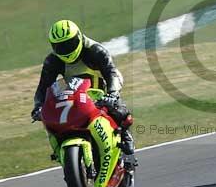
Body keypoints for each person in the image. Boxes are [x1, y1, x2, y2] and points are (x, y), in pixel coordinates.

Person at [31, 19, 137, 161]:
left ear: (79, 37)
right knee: (52, 119)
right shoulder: (53, 60)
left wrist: (112, 93)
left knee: (118, 109)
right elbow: (43, 87)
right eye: (60, 47)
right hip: (74, 93)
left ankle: (125, 134)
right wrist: (38, 106)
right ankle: (60, 151)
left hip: (100, 87)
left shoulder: (95, 50)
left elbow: (111, 73)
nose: (66, 50)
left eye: (70, 44)